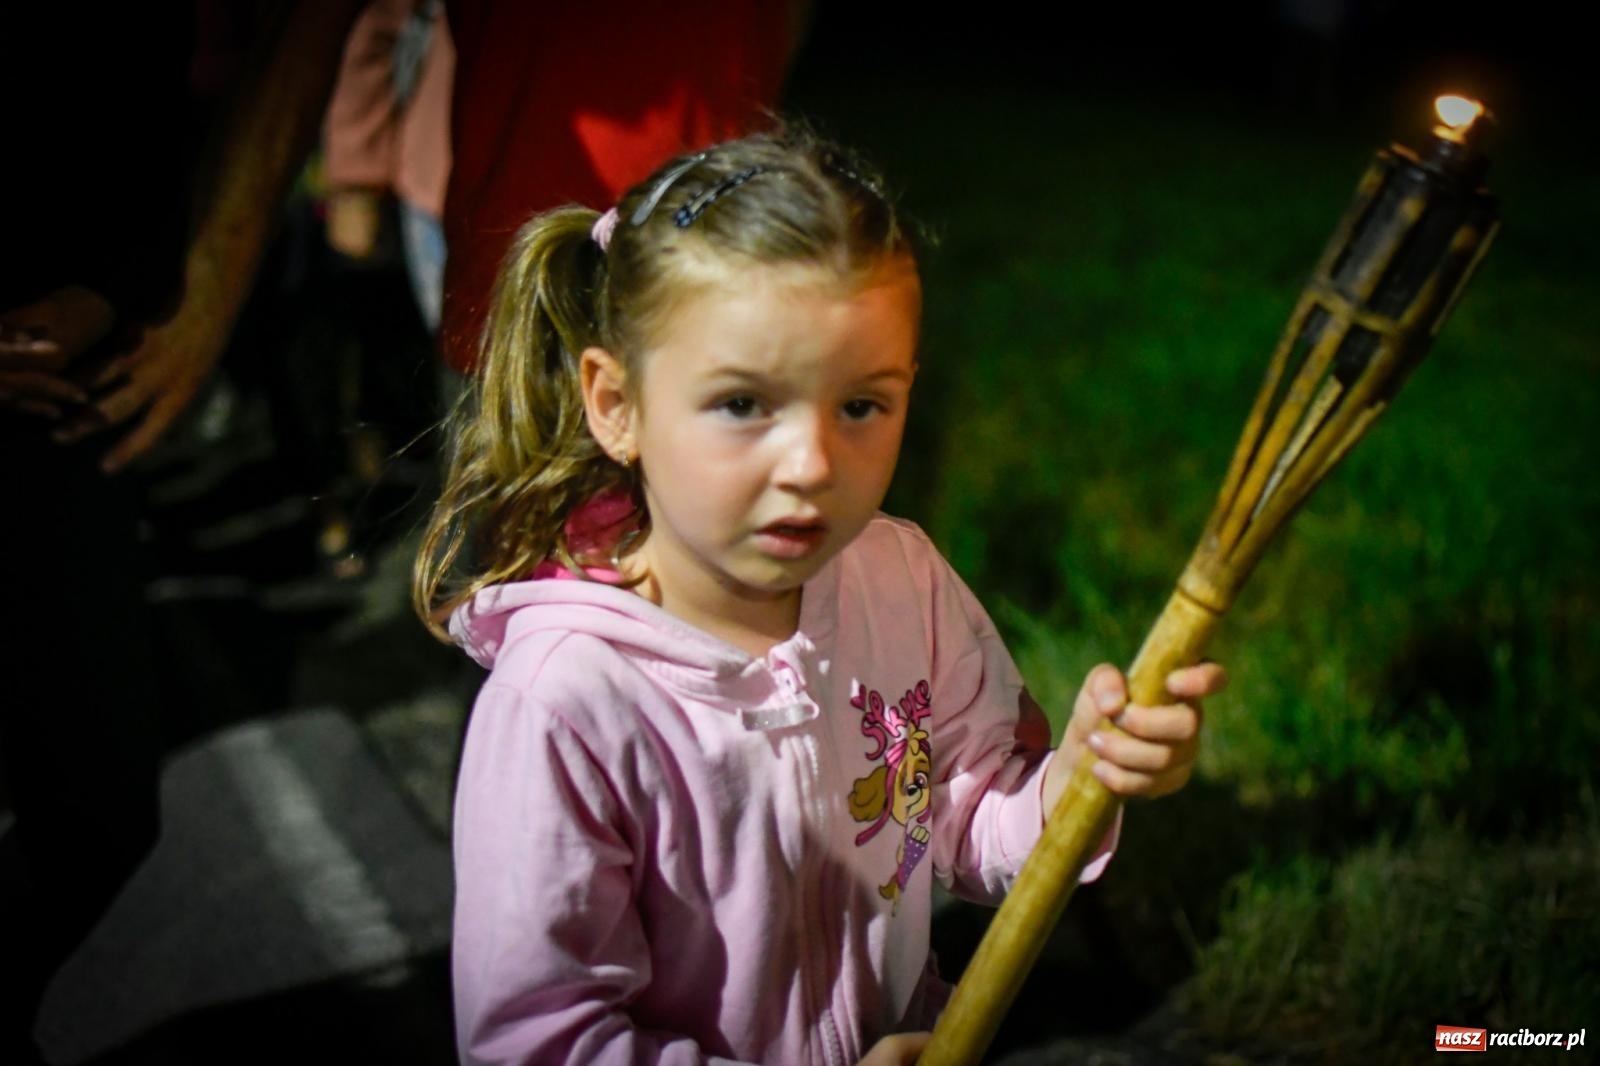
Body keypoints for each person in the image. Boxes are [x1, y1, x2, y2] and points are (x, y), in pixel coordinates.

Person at [413, 129, 1226, 1065]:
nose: (810, 465)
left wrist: (1078, 778)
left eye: (861, 406)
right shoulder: (565, 703)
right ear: (616, 405)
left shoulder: (901, 578)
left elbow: (966, 826)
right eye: (743, 405)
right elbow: (542, 1044)